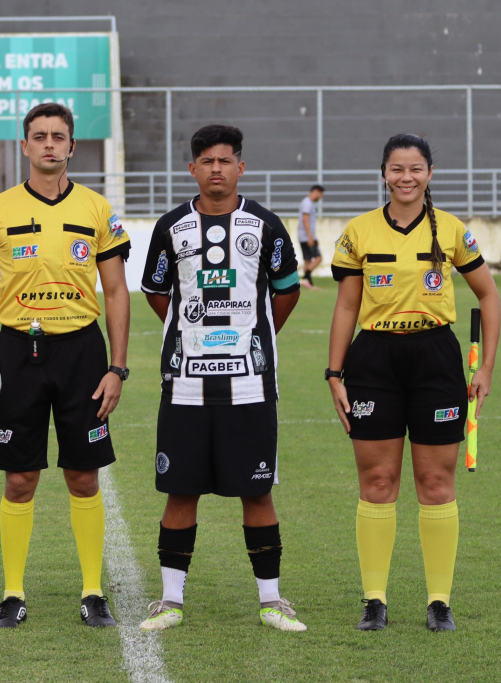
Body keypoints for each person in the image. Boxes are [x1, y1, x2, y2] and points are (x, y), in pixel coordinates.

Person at [0, 103, 131, 628]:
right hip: (18, 353)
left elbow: (115, 291)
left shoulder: (97, 210)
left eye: (58, 136)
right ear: (24, 146)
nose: (49, 145)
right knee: (19, 478)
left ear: (72, 146)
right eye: (39, 136)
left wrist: (117, 367)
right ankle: (13, 594)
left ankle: (92, 593)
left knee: (83, 476)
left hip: (82, 354)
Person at [328, 133, 500, 632]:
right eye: (397, 169)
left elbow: (489, 295)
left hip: (436, 360)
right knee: (378, 482)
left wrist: (486, 368)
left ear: (429, 174)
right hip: (374, 361)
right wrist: (334, 372)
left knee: (436, 483)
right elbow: (346, 305)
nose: (406, 178)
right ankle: (374, 600)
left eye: (416, 169)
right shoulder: (358, 231)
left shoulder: (452, 229)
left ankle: (439, 602)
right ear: (384, 174)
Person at [139, 124, 306, 633]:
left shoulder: (266, 225)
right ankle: (170, 601)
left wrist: (256, 336)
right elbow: (156, 292)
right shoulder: (171, 227)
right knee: (180, 491)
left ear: (241, 167)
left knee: (257, 492)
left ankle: (272, 601)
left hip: (250, 386)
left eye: (225, 160)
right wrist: (188, 334)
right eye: (207, 161)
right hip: (185, 385)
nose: (217, 169)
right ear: (192, 169)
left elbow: (287, 290)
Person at [299, 185, 325, 288]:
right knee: (318, 258)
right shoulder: (307, 203)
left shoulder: (307, 202)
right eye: (321, 194)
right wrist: (310, 237)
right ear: (316, 192)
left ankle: (307, 283)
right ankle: (306, 277)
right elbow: (305, 219)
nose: (321, 197)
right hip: (307, 237)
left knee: (308, 260)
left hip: (304, 236)